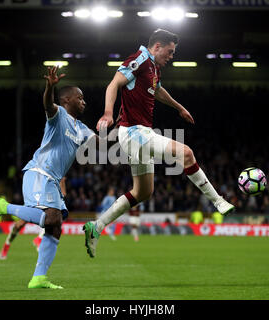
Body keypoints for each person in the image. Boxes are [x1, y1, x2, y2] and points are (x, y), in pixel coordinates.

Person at [83, 28, 234, 258]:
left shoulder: (153, 68)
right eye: (170, 52)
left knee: (143, 193)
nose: (171, 57)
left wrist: (179, 107)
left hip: (138, 134)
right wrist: (107, 112)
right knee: (186, 153)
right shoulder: (141, 59)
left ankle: (97, 226)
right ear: (157, 47)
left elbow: (158, 90)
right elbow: (114, 84)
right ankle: (218, 201)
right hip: (133, 132)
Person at [0, 66, 96, 289]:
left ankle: (39, 278)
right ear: (66, 100)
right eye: (80, 98)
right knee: (52, 219)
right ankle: (4, 207)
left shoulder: (81, 128)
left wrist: (120, 129)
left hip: (52, 181)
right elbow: (47, 104)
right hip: (39, 172)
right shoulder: (58, 115)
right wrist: (49, 87)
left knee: (56, 226)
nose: (84, 102)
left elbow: (101, 144)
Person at [0, 177, 67, 260]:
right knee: (19, 225)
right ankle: (7, 244)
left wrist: (62, 182)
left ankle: (39, 239)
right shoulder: (40, 172)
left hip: (47, 202)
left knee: (53, 220)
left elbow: (63, 194)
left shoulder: (58, 175)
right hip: (34, 199)